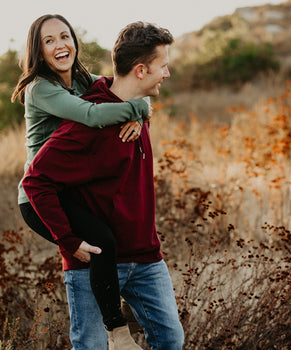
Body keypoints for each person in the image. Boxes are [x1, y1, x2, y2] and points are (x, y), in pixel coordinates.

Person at [23, 21, 184, 349]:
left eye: (65, 36)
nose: (59, 44)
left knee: (170, 338)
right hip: (40, 198)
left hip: (140, 251)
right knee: (100, 245)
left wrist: (139, 112)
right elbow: (93, 115)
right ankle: (117, 330)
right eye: (48, 40)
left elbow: (116, 89)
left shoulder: (87, 83)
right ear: (37, 51)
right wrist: (139, 108)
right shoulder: (41, 89)